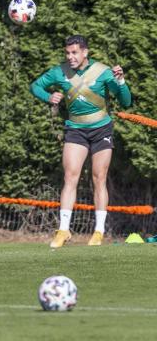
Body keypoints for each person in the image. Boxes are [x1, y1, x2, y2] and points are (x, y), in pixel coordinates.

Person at [30, 35, 132, 248]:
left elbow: (125, 101)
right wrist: (48, 97)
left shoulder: (103, 72)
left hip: (101, 128)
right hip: (75, 129)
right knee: (70, 175)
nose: (70, 57)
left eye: (74, 52)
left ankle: (98, 232)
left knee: (99, 177)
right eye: (67, 53)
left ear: (85, 52)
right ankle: (63, 230)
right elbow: (35, 86)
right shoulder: (59, 72)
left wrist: (121, 81)